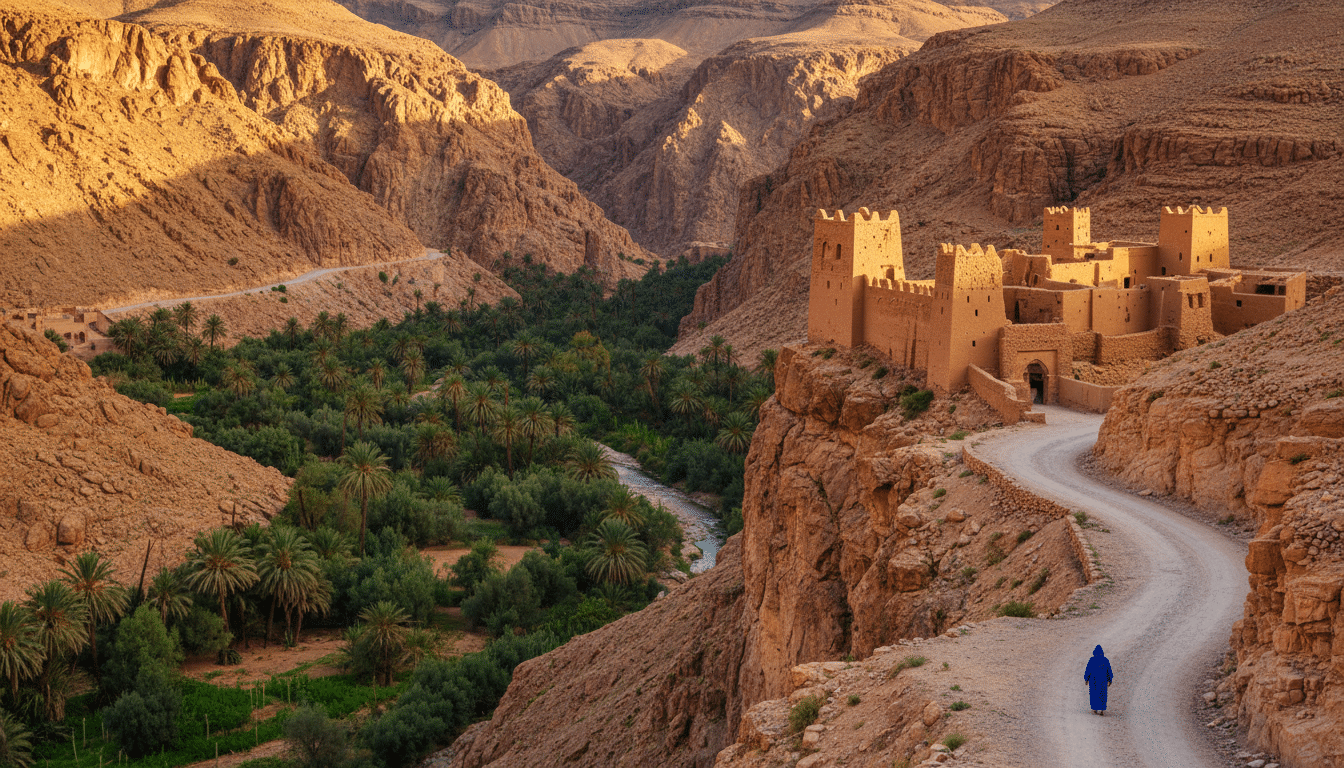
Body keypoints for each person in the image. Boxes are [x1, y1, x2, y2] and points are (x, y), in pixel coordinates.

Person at [1084, 645, 1114, 715]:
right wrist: (1110, 680)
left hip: (1093, 681)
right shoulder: (1105, 660)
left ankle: (1095, 708)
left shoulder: (1092, 660)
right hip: (1103, 681)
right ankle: (1102, 710)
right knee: (1102, 695)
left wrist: (1086, 679)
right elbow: (1109, 671)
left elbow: (1088, 670)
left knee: (1094, 694)